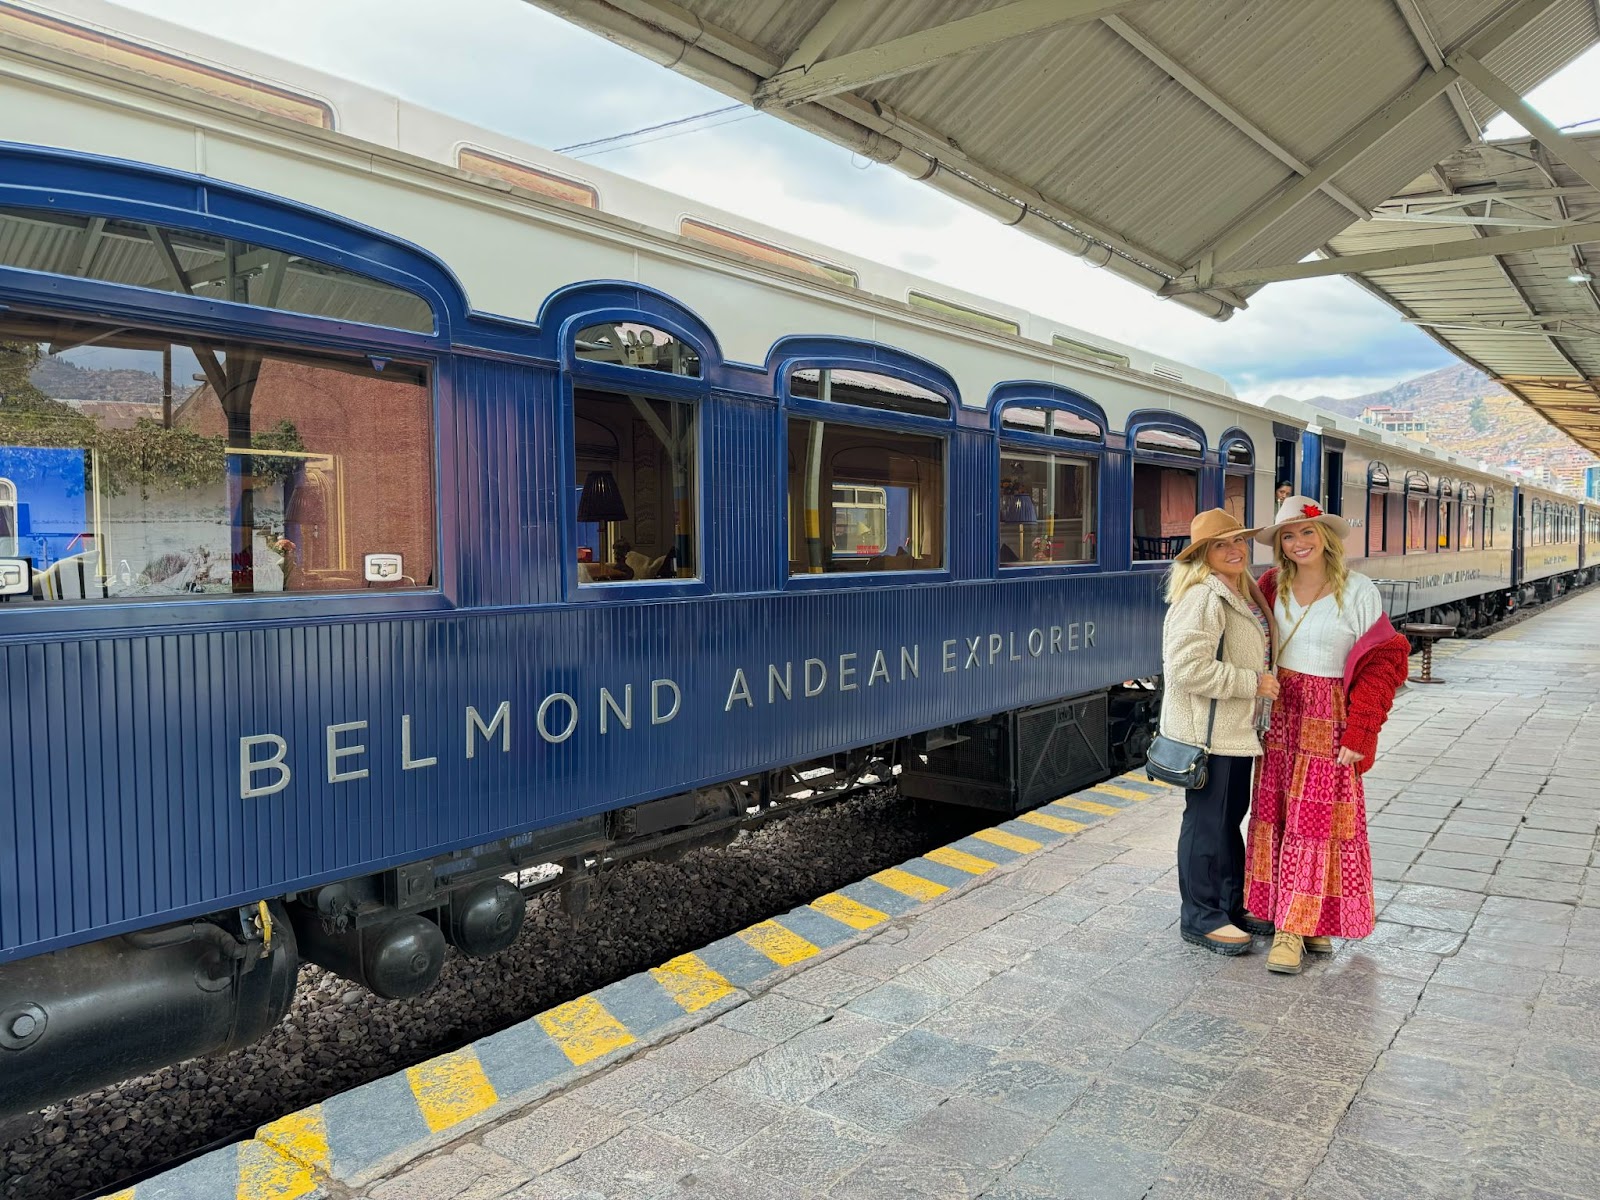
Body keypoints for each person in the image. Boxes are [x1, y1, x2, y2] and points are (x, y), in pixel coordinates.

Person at [1244, 495, 1410, 975]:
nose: (1298, 543)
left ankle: (1291, 931)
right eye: (1288, 536)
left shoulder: (1357, 591)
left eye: (1306, 532)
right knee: (1279, 819)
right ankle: (1303, 920)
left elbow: (1385, 663)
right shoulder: (1271, 585)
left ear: (1326, 537)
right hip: (1281, 714)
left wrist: (1361, 728)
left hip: (1330, 717)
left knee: (1316, 826)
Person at [1161, 509, 1279, 955]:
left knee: (1228, 819)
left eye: (1238, 541)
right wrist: (1253, 683)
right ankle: (1199, 916)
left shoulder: (1239, 589)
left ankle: (1229, 906)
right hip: (1206, 734)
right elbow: (1186, 669)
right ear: (1202, 556)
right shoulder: (1203, 597)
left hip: (1232, 729)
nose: (1235, 550)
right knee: (1207, 821)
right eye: (1221, 544)